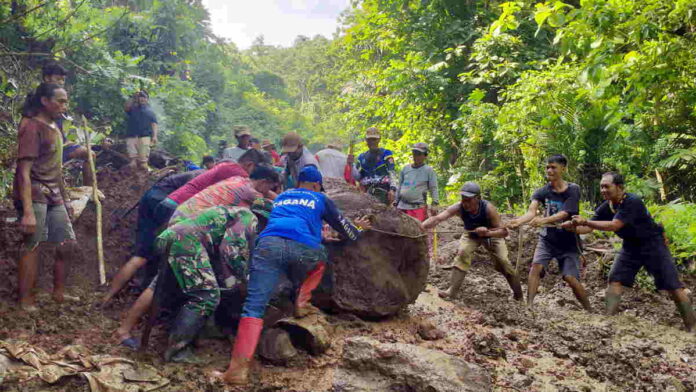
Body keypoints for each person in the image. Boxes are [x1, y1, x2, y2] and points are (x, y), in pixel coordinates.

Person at [216, 166, 372, 385]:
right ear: (317, 185)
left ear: (298, 184)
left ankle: (237, 371)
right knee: (321, 257)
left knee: (253, 306)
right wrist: (359, 228)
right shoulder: (320, 197)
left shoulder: (282, 197)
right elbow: (348, 231)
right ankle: (303, 301)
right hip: (304, 249)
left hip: (268, 245)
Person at [565, 172, 695, 331]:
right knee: (615, 279)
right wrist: (574, 228)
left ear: (619, 187)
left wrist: (585, 220)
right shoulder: (608, 206)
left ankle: (692, 327)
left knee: (673, 286)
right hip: (631, 247)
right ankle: (608, 320)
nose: (603, 190)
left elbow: (614, 225)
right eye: (601, 187)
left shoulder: (632, 202)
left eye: (607, 186)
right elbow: (588, 228)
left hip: (654, 246)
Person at [160, 201, 271, 362]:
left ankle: (202, 334)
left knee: (206, 290)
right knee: (207, 296)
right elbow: (229, 250)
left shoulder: (236, 213)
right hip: (185, 242)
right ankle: (177, 351)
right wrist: (240, 280)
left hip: (176, 238)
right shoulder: (249, 219)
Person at [100, 169, 208, 307]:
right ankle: (139, 295)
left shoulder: (202, 173)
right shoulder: (209, 179)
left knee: (143, 254)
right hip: (165, 202)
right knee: (152, 255)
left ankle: (108, 297)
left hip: (151, 197)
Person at [13, 83, 77, 312]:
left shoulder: (55, 125)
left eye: (65, 101)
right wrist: (28, 212)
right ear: (44, 101)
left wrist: (66, 198)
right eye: (60, 101)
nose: (64, 105)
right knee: (32, 244)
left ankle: (58, 292)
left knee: (67, 243)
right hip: (35, 192)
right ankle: (25, 300)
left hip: (54, 193)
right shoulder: (32, 127)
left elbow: (58, 169)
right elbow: (23, 172)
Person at [507, 154, 591, 311]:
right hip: (547, 240)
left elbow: (566, 213)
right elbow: (532, 212)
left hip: (569, 242)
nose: (549, 170)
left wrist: (543, 220)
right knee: (536, 267)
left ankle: (589, 309)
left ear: (563, 169)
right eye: (547, 167)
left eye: (553, 167)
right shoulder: (542, 191)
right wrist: (518, 221)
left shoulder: (573, 189)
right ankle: (529, 306)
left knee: (570, 278)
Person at [422, 182, 522, 301]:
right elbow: (439, 218)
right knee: (463, 252)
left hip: (492, 235)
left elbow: (504, 232)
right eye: (463, 199)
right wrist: (422, 226)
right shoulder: (458, 207)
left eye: (469, 200)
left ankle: (519, 295)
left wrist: (487, 233)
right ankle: (451, 291)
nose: (465, 203)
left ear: (478, 198)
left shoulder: (489, 209)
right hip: (471, 234)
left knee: (504, 262)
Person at [153, 149, 266, 227]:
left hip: (170, 201)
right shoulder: (238, 173)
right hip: (178, 206)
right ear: (250, 164)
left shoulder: (227, 165)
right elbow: (254, 189)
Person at [37, 62, 95, 186]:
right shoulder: (38, 99)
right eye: (58, 79)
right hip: (46, 149)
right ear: (47, 78)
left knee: (90, 154)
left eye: (63, 80)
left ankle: (88, 190)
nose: (61, 82)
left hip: (62, 145)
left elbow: (64, 126)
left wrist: (69, 141)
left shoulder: (59, 99)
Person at [170, 166, 280, 224]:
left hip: (178, 215)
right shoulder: (251, 193)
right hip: (188, 223)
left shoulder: (236, 179)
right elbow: (274, 205)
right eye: (270, 188)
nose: (267, 192)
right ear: (263, 182)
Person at [347, 127, 397, 205]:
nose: (372, 142)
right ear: (366, 140)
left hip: (382, 191)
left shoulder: (386, 153)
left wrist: (392, 189)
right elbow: (357, 177)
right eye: (370, 139)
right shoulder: (362, 157)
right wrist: (351, 164)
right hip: (366, 192)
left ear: (379, 139)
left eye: (374, 139)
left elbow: (392, 171)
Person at [395, 142, 438, 221]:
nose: (416, 156)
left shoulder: (428, 170)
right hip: (401, 206)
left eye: (419, 154)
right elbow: (399, 186)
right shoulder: (405, 169)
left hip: (417, 207)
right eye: (414, 153)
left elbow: (433, 188)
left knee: (417, 230)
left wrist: (434, 203)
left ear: (425, 156)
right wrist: (395, 201)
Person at [124, 91, 158, 171]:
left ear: (147, 99)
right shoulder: (132, 108)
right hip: (131, 136)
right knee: (132, 160)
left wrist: (155, 136)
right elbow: (126, 108)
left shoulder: (150, 111)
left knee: (143, 161)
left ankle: (147, 176)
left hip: (145, 137)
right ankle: (131, 178)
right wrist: (133, 97)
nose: (142, 99)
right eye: (140, 97)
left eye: (144, 97)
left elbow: (154, 124)